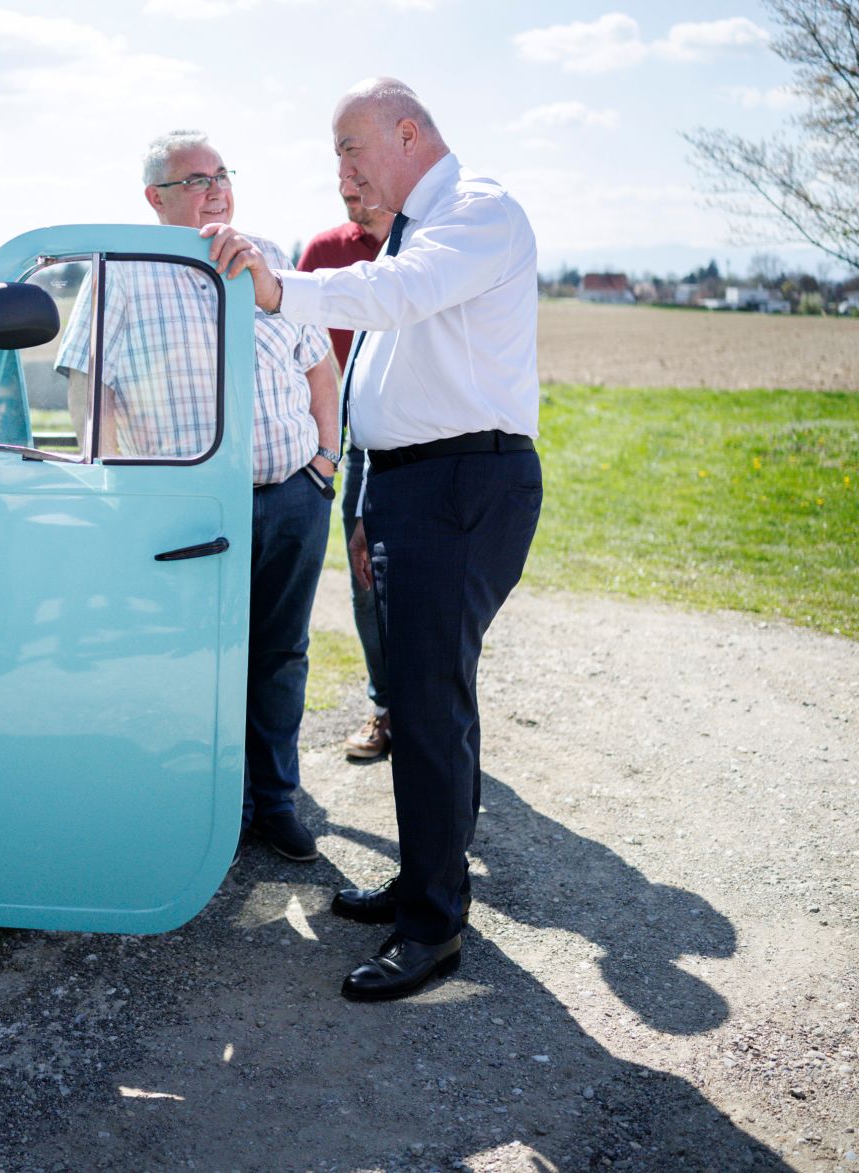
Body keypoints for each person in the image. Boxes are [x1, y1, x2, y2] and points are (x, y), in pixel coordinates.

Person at [205, 78, 543, 1000]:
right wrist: (366, 494)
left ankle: (432, 928)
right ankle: (424, 880)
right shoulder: (420, 227)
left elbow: (398, 295)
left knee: (427, 706)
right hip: (413, 486)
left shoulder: (476, 212)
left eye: (350, 149)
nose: (343, 173)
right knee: (426, 697)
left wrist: (279, 286)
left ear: (406, 134)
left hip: (459, 484)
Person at [56, 129, 339, 862]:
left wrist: (325, 462)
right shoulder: (122, 269)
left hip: (293, 495)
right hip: (187, 513)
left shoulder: (267, 258)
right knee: (192, 660)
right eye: (196, 180)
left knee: (280, 656)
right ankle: (205, 810)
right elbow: (88, 384)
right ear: (155, 198)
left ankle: (275, 802)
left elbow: (319, 368)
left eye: (222, 175)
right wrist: (122, 491)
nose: (217, 189)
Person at [298, 180, 395, 763]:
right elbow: (295, 344)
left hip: (436, 441)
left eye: (360, 171)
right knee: (367, 578)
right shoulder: (324, 252)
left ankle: (434, 709)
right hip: (361, 439)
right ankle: (385, 706)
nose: (348, 186)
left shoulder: (428, 243)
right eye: (342, 172)